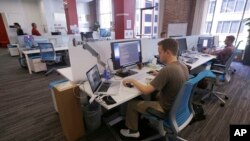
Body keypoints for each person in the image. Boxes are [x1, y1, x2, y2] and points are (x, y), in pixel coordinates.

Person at [120, 38, 189, 138]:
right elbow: (173, 77)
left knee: (131, 104)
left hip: (165, 108)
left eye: (160, 52)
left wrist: (133, 81)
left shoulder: (167, 70)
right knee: (153, 93)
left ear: (168, 52)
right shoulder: (182, 65)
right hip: (177, 106)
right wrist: (159, 74)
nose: (158, 55)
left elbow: (146, 91)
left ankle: (133, 132)